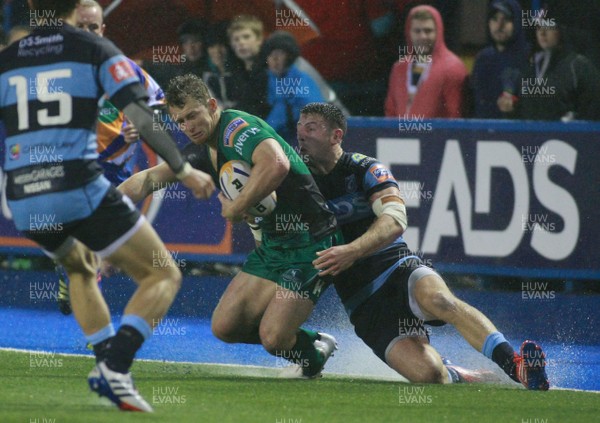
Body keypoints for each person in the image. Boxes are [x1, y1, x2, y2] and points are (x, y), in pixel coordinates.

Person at [0, 0, 215, 412]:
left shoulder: (9, 57)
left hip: (24, 198)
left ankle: (107, 370)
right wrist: (183, 168)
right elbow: (144, 116)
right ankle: (115, 366)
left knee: (80, 265)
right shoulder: (94, 48)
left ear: (31, 6)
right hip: (77, 186)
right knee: (163, 274)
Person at [296, 102, 549, 390]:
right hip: (362, 300)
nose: (301, 134)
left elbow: (395, 220)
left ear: (335, 136)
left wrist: (352, 251)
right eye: (299, 127)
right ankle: (458, 373)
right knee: (430, 375)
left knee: (441, 301)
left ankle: (516, 366)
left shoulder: (365, 168)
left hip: (396, 267)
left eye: (311, 127)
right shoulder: (300, 183)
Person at [118, 74, 338, 378]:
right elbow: (148, 179)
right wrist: (102, 209)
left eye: (193, 115)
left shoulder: (235, 129)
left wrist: (237, 206)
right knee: (225, 327)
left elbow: (276, 163)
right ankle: (310, 343)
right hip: (275, 246)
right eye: (180, 121)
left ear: (211, 105)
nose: (188, 126)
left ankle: (307, 353)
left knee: (273, 338)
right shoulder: (201, 149)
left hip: (312, 242)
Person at [55, 0, 169, 316]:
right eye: (81, 27)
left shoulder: (125, 70)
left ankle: (81, 273)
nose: (89, 33)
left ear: (103, 30)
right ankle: (99, 335)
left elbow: (157, 104)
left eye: (94, 27)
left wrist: (140, 123)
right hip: (76, 171)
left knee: (106, 251)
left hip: (119, 174)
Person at [497, 13, 600, 121]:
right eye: (539, 27)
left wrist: (575, 124)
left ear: (561, 30)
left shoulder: (578, 66)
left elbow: (594, 107)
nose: (542, 33)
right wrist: (510, 110)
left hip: (569, 136)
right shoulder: (530, 67)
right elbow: (525, 112)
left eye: (548, 26)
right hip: (532, 136)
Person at [384, 5, 468, 118]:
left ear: (439, 32)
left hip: (437, 135)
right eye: (417, 31)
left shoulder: (453, 68)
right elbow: (390, 111)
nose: (422, 36)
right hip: (399, 135)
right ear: (409, 33)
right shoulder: (399, 68)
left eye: (428, 31)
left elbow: (454, 115)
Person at [261, 31, 324, 145]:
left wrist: (262, 135)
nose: (275, 59)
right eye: (270, 54)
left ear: (290, 56)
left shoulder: (301, 76)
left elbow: (316, 114)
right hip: (289, 136)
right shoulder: (272, 78)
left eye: (280, 53)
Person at [471, 0, 530, 119]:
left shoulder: (530, 57)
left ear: (517, 22)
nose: (499, 25)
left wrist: (515, 107)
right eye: (495, 19)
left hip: (518, 133)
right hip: (482, 133)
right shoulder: (483, 58)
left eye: (506, 19)